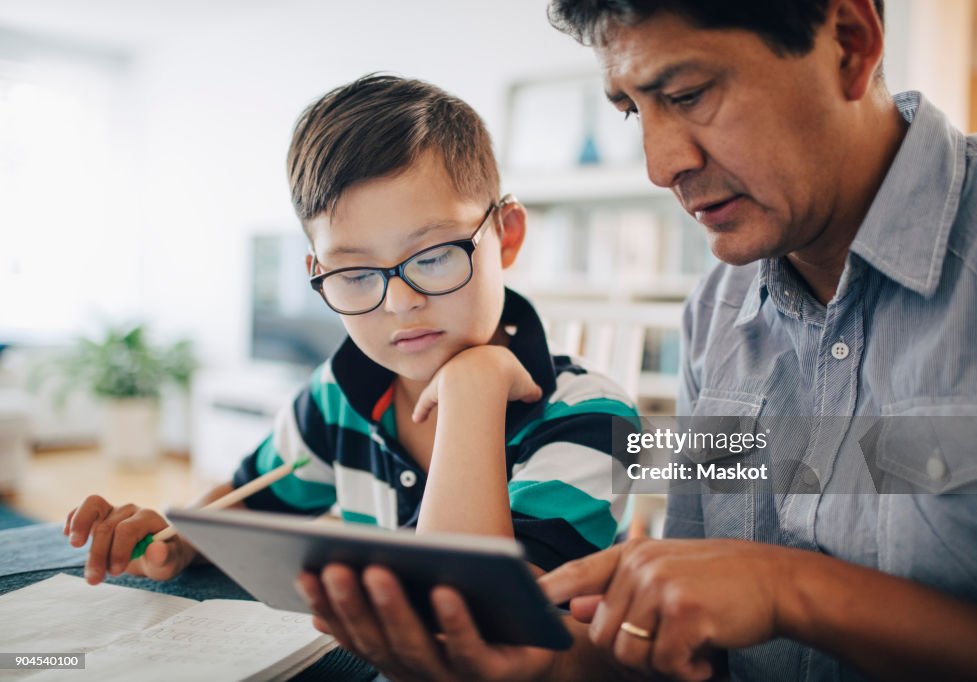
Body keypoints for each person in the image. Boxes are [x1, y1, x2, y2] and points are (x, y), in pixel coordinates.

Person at [293, 2, 977, 680]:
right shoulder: (718, 311)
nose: (659, 164)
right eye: (630, 109)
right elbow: (691, 650)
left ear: (849, 43)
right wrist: (549, 661)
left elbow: (760, 586)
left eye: (687, 94)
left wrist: (792, 591)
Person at [63, 75, 637, 592]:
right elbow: (251, 502)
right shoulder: (339, 395)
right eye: (357, 274)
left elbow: (474, 617)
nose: (400, 301)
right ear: (319, 276)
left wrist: (472, 391)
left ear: (506, 236)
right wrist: (179, 538)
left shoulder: (596, 420)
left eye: (435, 256)